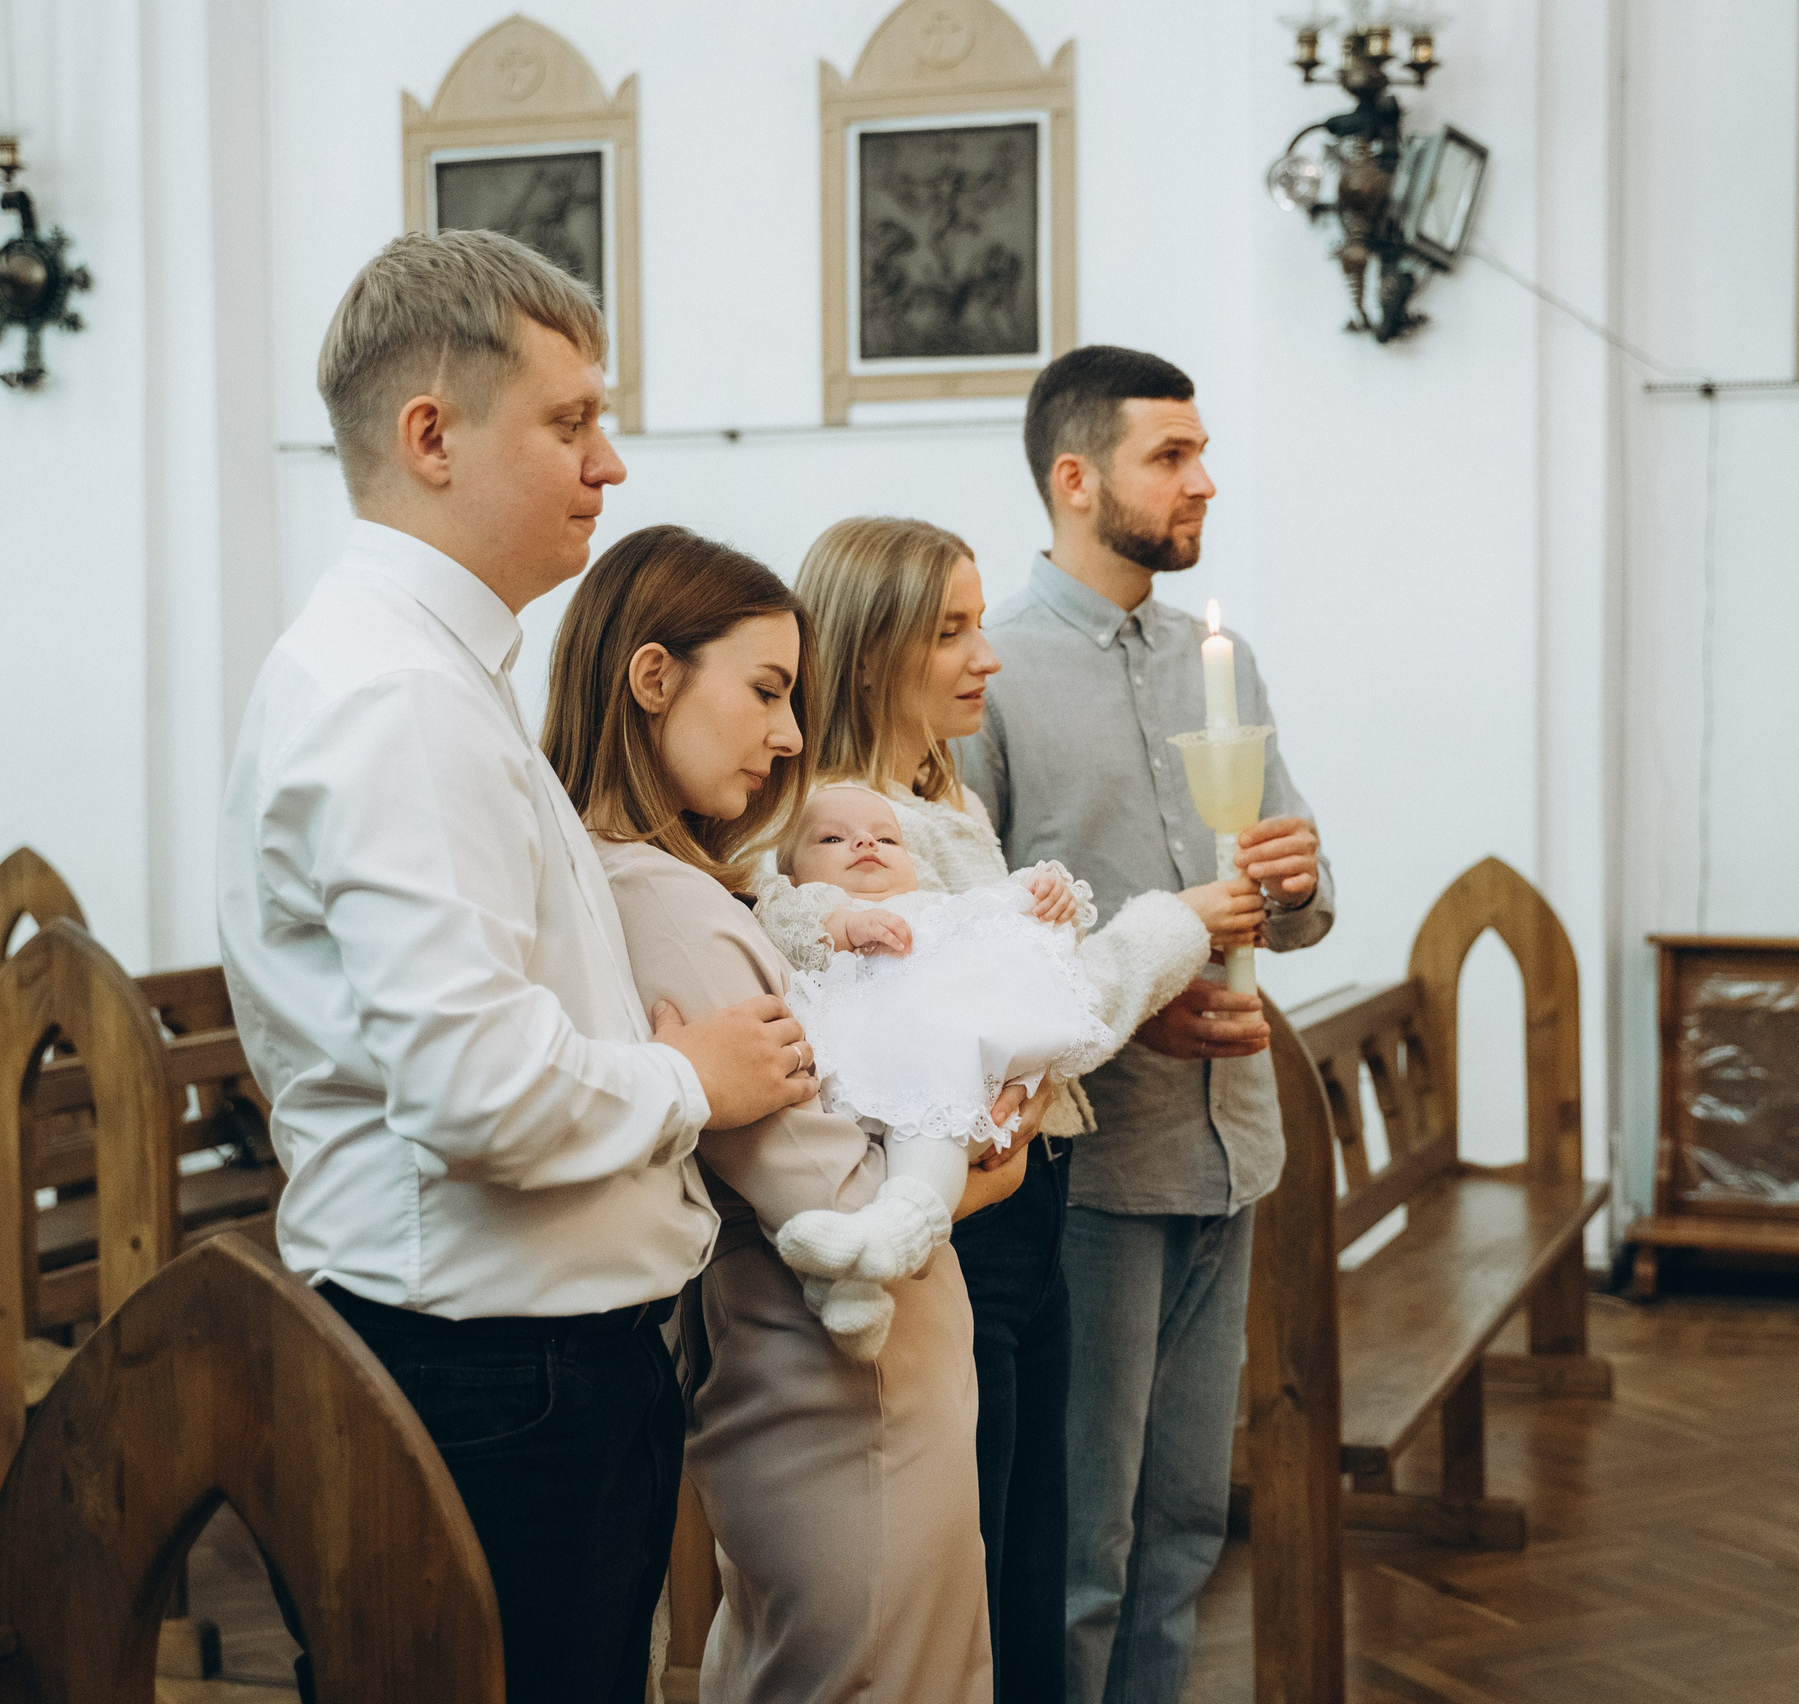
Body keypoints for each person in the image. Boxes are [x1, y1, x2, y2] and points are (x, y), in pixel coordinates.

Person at [215, 231, 816, 1704]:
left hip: (520, 1356)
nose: (610, 465)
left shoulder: (429, 674)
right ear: (433, 435)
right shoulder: (396, 699)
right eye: (571, 421)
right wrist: (694, 1073)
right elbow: (475, 1091)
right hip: (488, 1372)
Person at [767, 516, 1235, 1703]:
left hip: (1024, 1201)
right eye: (952, 631)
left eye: (982, 623)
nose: (988, 656)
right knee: (994, 1553)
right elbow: (1039, 1000)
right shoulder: (854, 823)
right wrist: (1183, 923)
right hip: (968, 1219)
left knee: (1027, 1532)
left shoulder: (942, 795)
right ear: (871, 652)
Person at [542, 523, 1002, 1703]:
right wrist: (988, 1136)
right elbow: (837, 1197)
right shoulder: (669, 905)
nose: (793, 736)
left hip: (834, 1385)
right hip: (843, 1397)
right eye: (765, 691)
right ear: (653, 679)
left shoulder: (662, 878)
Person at [958, 345, 1334, 1704]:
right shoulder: (987, 677)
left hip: (1232, 1147)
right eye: (1170, 457)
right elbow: (974, 944)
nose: (1204, 480)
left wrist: (1295, 887)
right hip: (1091, 1171)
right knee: (1084, 1546)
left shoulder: (1212, 659)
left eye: (1200, 451)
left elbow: (1299, 901)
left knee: (1185, 1528)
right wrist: (1128, 1011)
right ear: (1075, 480)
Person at [768, 784, 1242, 1336]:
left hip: (938, 1084)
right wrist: (846, 926)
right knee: (852, 1165)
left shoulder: (934, 911)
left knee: (933, 1129)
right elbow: (783, 927)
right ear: (793, 870)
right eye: (833, 838)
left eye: (887, 838)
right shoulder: (805, 907)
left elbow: (1006, 936)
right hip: (845, 1083)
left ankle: (890, 1239)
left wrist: (1040, 897)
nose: (865, 842)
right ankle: (857, 1279)